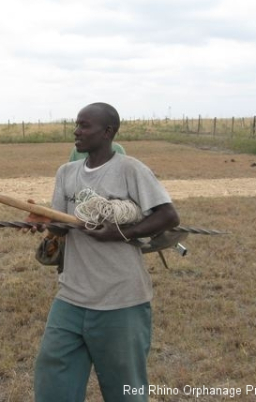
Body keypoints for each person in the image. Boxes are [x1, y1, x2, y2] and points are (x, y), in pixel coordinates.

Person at [27, 102, 179, 402]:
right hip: (71, 297)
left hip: (121, 301)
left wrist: (121, 232)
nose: (76, 131)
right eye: (76, 124)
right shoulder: (66, 172)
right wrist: (43, 222)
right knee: (53, 384)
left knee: (125, 391)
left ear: (108, 132)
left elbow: (168, 216)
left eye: (85, 125)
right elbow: (61, 227)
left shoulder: (129, 169)